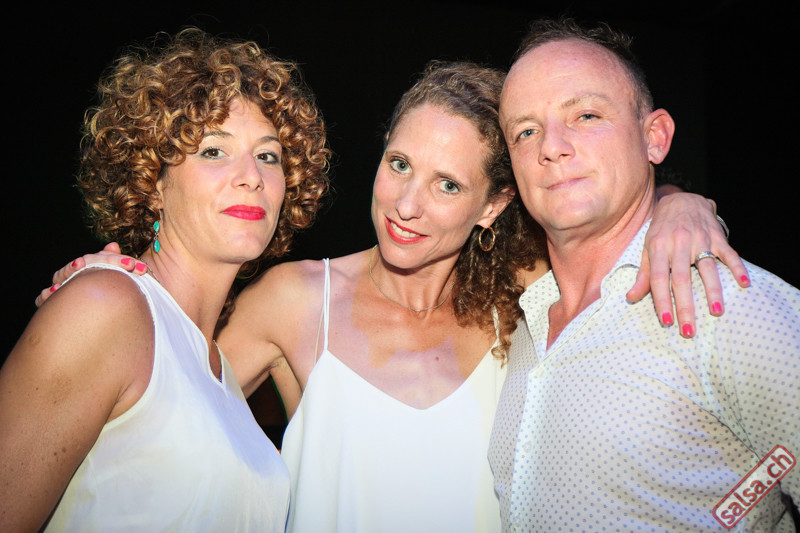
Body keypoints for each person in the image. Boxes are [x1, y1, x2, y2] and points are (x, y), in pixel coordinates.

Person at [39, 57, 743, 532]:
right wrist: (124, 282)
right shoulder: (295, 298)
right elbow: (171, 392)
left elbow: (615, 230)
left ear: (493, 205)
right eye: (399, 163)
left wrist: (679, 205)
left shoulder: (528, 309)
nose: (407, 204)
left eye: (448, 184)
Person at [0, 28, 330, 532]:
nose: (252, 175)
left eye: (268, 155)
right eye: (213, 151)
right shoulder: (107, 305)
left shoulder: (223, 374)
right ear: (153, 182)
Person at [489, 18, 799, 531]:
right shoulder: (525, 326)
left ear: (654, 138)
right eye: (526, 131)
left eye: (586, 115)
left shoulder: (730, 305)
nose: (551, 146)